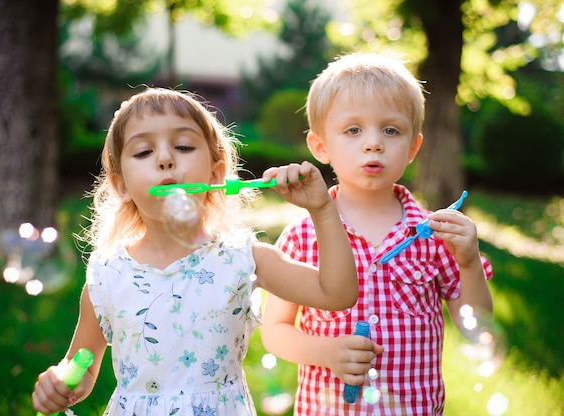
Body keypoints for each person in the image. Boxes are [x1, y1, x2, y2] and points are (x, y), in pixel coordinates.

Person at [31, 87, 359, 416]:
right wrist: (61, 382)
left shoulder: (243, 258)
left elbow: (338, 293)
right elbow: (83, 367)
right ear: (121, 186)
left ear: (216, 173)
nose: (165, 159)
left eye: (184, 146)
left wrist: (322, 209)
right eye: (143, 152)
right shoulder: (108, 277)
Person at [260, 53, 494, 415]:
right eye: (353, 130)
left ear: (413, 148)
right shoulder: (303, 236)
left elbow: (476, 325)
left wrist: (468, 263)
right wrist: (326, 352)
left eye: (391, 130)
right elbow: (274, 330)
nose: (374, 143)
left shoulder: (435, 235)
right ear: (321, 147)